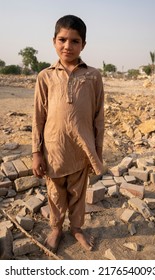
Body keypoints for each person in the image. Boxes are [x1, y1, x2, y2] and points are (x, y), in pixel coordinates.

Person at [32, 15, 104, 253]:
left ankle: (76, 228)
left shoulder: (93, 76)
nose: (67, 46)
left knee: (78, 193)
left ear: (83, 44)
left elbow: (98, 117)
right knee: (54, 193)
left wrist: (97, 151)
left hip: (81, 150)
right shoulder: (45, 76)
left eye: (75, 41)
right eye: (62, 39)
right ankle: (56, 228)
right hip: (54, 150)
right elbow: (38, 117)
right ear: (54, 41)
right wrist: (36, 152)